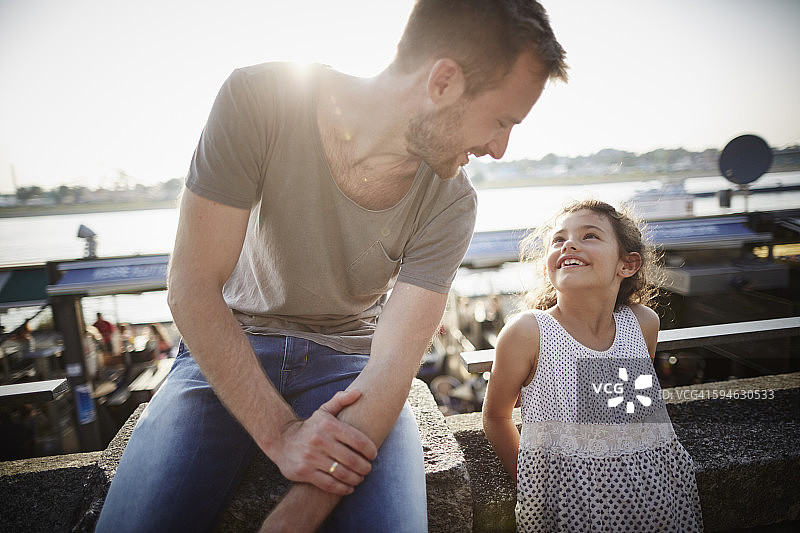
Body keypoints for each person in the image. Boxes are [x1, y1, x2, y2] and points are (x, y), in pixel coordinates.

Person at [96, 2, 567, 532]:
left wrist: (295, 514)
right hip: (228, 346)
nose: (500, 149)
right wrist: (281, 436)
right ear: (443, 82)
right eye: (502, 121)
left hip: (351, 367)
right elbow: (191, 287)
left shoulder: (453, 202)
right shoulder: (259, 99)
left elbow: (392, 367)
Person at [482, 200, 703, 531]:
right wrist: (534, 486)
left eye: (589, 236)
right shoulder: (528, 332)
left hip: (658, 496)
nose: (569, 244)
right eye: (558, 240)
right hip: (572, 510)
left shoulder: (643, 323)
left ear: (626, 265)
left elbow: (628, 409)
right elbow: (496, 416)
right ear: (547, 267)